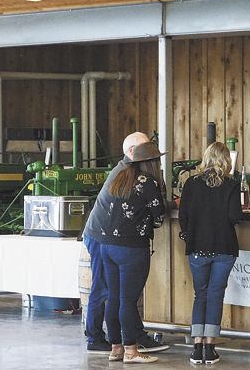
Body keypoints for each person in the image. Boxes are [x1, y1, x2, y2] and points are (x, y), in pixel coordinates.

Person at [82, 132, 169, 355]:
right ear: (132, 151)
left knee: (113, 296)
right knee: (112, 294)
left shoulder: (121, 172)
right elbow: (159, 218)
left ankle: (118, 345)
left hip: (105, 240)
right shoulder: (144, 180)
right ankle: (109, 341)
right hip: (116, 242)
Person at [178, 142, 242, 365]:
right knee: (216, 295)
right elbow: (236, 217)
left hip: (197, 248)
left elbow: (183, 215)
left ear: (205, 158)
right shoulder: (231, 185)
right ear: (227, 161)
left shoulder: (191, 184)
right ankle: (210, 348)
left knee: (200, 295)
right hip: (224, 247)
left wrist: (188, 233)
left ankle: (197, 347)